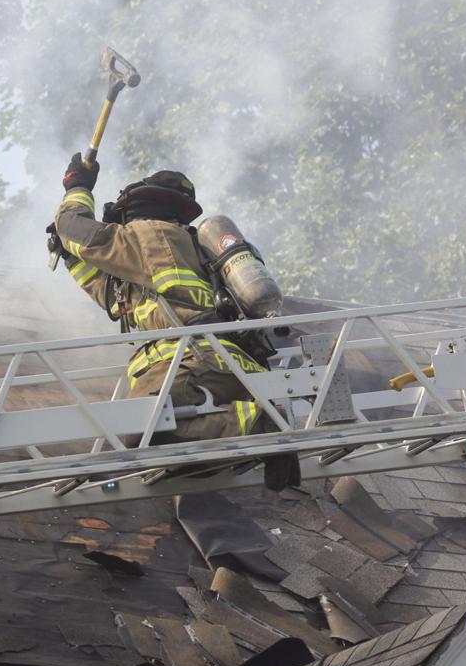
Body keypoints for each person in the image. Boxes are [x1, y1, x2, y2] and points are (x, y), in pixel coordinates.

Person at [52, 154, 297, 490]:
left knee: (142, 427)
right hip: (224, 365)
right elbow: (111, 294)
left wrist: (77, 188)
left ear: (136, 208)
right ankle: (247, 431)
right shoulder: (177, 251)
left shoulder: (150, 235)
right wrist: (68, 255)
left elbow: (75, 230)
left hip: (191, 361)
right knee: (177, 459)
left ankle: (259, 427)